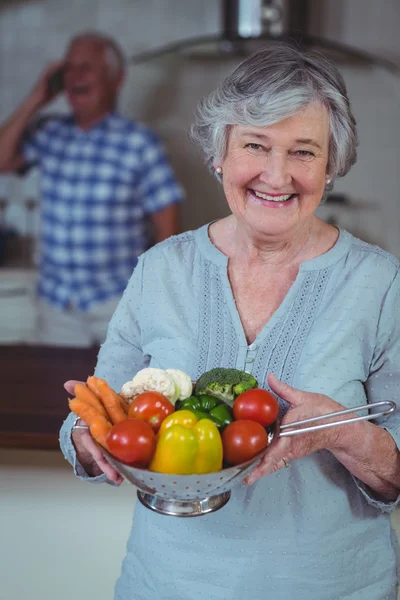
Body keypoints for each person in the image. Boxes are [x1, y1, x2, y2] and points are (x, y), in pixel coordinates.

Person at [60, 43, 400, 599]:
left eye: (304, 152)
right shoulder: (160, 268)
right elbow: (98, 406)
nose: (277, 174)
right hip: (166, 584)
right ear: (219, 153)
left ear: (332, 165)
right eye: (255, 145)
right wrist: (84, 435)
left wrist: (342, 430)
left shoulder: (381, 284)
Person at [0, 32, 183, 347]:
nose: (75, 76)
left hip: (117, 305)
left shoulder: (139, 143)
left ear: (117, 79)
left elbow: (168, 230)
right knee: (54, 395)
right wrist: (36, 98)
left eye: (87, 67)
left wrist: (156, 303)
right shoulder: (50, 133)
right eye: (68, 68)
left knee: (120, 395)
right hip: (56, 308)